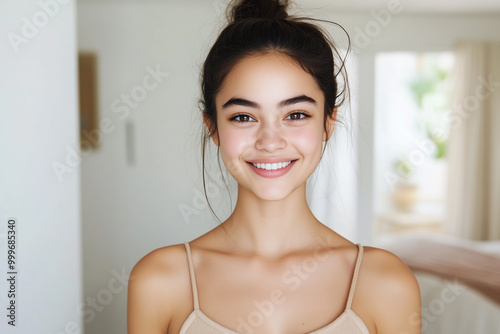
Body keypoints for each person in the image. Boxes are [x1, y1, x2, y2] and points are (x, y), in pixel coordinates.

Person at [127, 0, 421, 333]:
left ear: (328, 122)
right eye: (243, 116)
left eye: (295, 115)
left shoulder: (385, 282)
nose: (270, 140)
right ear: (213, 127)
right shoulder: (159, 280)